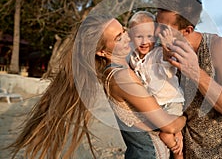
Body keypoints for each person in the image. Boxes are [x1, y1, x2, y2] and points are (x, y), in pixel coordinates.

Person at [8, 12, 186, 159]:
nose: (126, 38)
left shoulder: (121, 69)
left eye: (123, 31)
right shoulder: (122, 77)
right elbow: (168, 126)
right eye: (118, 38)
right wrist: (186, 118)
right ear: (101, 51)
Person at [155, 0, 222, 159]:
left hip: (221, 152)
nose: (156, 32)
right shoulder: (156, 51)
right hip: (181, 151)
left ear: (187, 30)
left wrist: (195, 72)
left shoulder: (217, 47)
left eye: (163, 29)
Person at [127, 11, 185, 158]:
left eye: (149, 36)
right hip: (156, 105)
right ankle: (176, 134)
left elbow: (167, 61)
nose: (144, 41)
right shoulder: (133, 58)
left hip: (171, 102)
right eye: (139, 36)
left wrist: (167, 51)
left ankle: (179, 154)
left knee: (166, 136)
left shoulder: (159, 53)